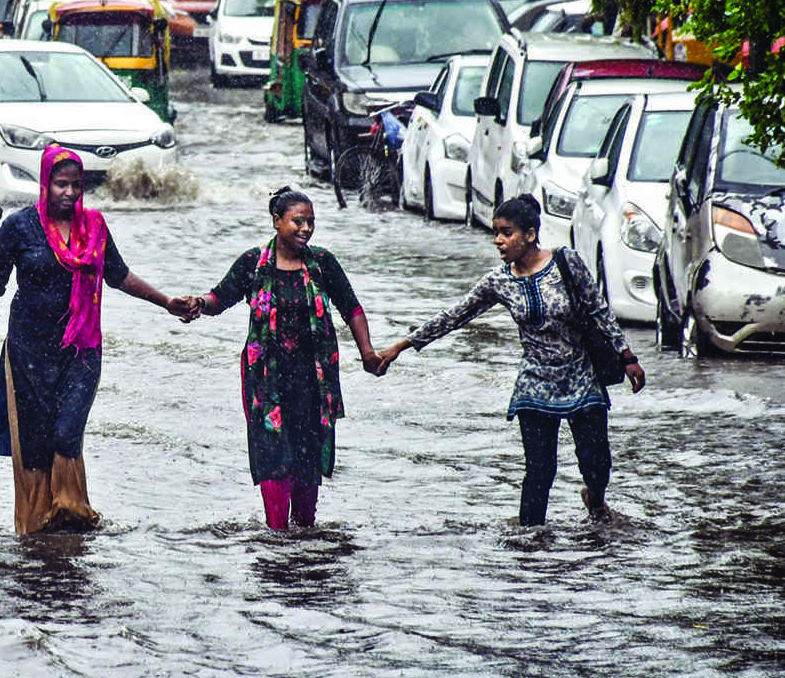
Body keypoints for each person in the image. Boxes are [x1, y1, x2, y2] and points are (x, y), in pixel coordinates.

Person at [375, 194, 646, 526]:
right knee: (539, 469)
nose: (498, 241)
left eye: (506, 233)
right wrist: (400, 347)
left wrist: (627, 356)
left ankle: (595, 500)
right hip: (535, 381)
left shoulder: (565, 262)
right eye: (495, 233)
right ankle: (530, 542)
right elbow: (455, 315)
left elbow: (597, 309)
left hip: (581, 374)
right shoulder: (499, 281)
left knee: (596, 462)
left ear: (530, 234)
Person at [0, 146, 195, 534]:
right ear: (44, 184)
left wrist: (166, 302)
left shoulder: (95, 227)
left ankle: (72, 516)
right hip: (28, 350)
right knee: (36, 442)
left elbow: (119, 276)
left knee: (67, 432)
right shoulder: (20, 228)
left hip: (81, 350)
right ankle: (37, 525)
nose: (69, 193)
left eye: (76, 185)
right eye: (60, 184)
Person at [177, 187, 382, 530]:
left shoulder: (322, 264)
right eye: (297, 221)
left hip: (313, 380)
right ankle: (276, 539)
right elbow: (220, 297)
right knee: (273, 457)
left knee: (307, 457)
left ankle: (304, 536)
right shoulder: (253, 264)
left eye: (310, 222)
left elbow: (352, 308)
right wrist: (199, 303)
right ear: (276, 222)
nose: (305, 229)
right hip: (265, 381)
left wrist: (367, 353)